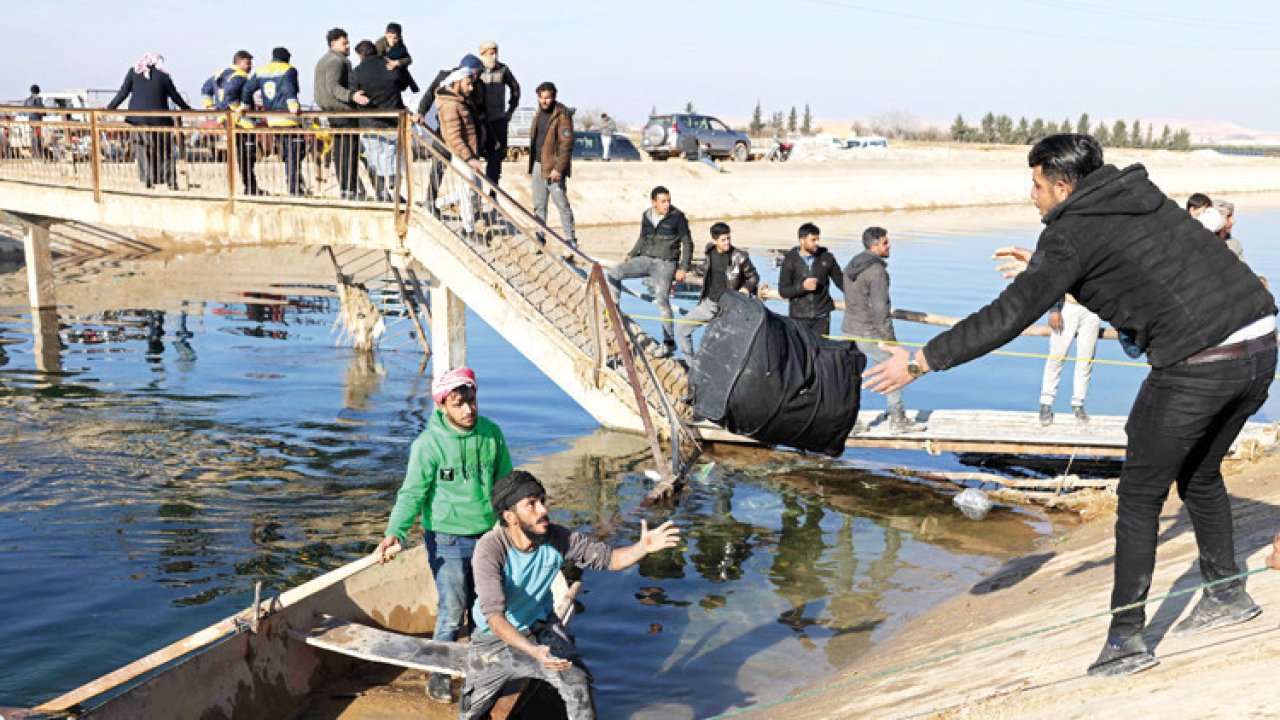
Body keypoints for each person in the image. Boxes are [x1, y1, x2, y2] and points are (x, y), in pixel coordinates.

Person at [864, 134, 1276, 678]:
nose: (1030, 194)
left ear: (1061, 186)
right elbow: (1132, 262)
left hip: (1200, 362)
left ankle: (1126, 641)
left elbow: (1008, 315)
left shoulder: (1071, 235)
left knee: (1138, 497)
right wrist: (1046, 265)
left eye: (1035, 184)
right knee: (1199, 475)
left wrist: (920, 362)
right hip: (1262, 343)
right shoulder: (1136, 196)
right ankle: (1226, 594)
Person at [458, 470, 681, 720]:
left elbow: (609, 559)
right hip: (494, 640)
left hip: (540, 627)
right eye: (531, 504)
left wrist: (643, 548)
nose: (542, 510)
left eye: (542, 500)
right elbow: (494, 619)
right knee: (470, 710)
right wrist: (532, 651)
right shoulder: (491, 548)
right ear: (510, 517)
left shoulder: (557, 537)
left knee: (577, 684)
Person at [374, 367, 513, 704]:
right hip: (448, 539)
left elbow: (507, 483)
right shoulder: (428, 445)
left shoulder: (492, 434)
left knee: (485, 609)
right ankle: (439, 674)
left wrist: (516, 523)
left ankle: (480, 669)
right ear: (442, 406)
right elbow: (412, 494)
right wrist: (396, 531)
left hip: (488, 536)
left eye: (472, 401)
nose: (468, 410)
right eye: (459, 404)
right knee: (453, 610)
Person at [842, 226, 921, 434]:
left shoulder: (851, 265)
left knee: (852, 374)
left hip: (849, 328)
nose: (889, 245)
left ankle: (852, 422)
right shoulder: (877, 272)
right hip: (870, 331)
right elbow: (880, 308)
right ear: (874, 245)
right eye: (885, 242)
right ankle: (898, 420)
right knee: (894, 368)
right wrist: (890, 340)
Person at [608, 186, 694, 357]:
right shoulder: (646, 215)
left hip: (666, 263)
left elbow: (687, 243)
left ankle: (668, 343)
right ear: (654, 202)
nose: (667, 204)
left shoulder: (678, 217)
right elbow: (643, 238)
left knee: (662, 299)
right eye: (663, 201)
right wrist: (631, 254)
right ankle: (614, 310)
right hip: (646, 259)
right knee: (614, 273)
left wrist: (683, 267)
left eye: (669, 200)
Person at [106, 52, 192, 190]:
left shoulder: (133, 73)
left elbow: (123, 93)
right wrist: (187, 109)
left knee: (142, 149)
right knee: (165, 151)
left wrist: (110, 108)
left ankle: (147, 180)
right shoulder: (163, 76)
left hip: (138, 119)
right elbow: (175, 96)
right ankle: (169, 181)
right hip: (160, 120)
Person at [677, 222, 759, 359]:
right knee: (682, 329)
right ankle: (691, 366)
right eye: (723, 240)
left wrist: (746, 288)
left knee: (721, 344)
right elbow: (706, 267)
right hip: (709, 304)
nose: (727, 242)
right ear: (715, 241)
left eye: (728, 238)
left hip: (730, 308)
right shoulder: (710, 252)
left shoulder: (740, 256)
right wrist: (690, 272)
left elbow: (754, 276)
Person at [314, 28, 370, 200]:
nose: (348, 46)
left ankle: (347, 189)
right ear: (333, 44)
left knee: (341, 151)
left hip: (332, 112)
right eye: (344, 43)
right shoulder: (336, 61)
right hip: (343, 111)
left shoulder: (325, 60)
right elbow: (333, 86)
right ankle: (349, 189)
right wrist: (351, 96)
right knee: (349, 151)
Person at [242, 47, 305, 196]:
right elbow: (289, 88)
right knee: (295, 153)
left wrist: (244, 105)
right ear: (287, 58)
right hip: (289, 119)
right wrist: (293, 105)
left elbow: (247, 89)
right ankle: (294, 189)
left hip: (272, 120)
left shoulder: (262, 70)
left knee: (286, 153)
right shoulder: (289, 69)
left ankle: (294, 185)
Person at [352, 39, 408, 202]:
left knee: (374, 157)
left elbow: (354, 93)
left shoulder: (357, 71)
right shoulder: (389, 65)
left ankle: (383, 192)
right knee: (391, 155)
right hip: (393, 118)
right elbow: (402, 84)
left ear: (361, 55)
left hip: (369, 121)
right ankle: (393, 185)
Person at [435, 67, 486, 239]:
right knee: (466, 192)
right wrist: (470, 157)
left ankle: (437, 203)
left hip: (470, 154)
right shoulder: (450, 105)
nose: (471, 88)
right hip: (464, 156)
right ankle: (468, 230)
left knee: (471, 190)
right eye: (468, 84)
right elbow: (453, 137)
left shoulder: (460, 101)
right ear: (456, 84)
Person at [201, 50, 259, 195]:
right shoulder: (239, 76)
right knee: (247, 154)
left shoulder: (220, 73)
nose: (250, 66)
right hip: (241, 122)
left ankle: (249, 186)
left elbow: (205, 88)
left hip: (227, 119)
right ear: (239, 63)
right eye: (248, 62)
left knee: (241, 154)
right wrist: (236, 108)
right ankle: (250, 187)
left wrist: (210, 106)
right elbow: (230, 94)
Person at [1038, 294, 1101, 426]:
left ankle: (1078, 404)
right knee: (1056, 358)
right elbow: (1057, 280)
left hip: (1092, 310)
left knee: (1086, 360)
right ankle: (1046, 403)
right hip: (1068, 307)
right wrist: (1054, 309)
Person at [528, 82, 576, 246]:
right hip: (537, 165)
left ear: (553, 97)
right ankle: (540, 238)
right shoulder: (538, 113)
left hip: (554, 168)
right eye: (541, 98)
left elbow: (566, 144)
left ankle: (570, 239)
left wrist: (559, 168)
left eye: (547, 98)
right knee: (539, 205)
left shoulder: (562, 115)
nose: (544, 101)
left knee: (561, 204)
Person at [777, 222, 844, 337]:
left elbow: (842, 283)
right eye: (813, 240)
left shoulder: (827, 258)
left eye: (818, 239)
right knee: (801, 353)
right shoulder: (790, 260)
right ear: (802, 241)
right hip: (798, 317)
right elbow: (783, 291)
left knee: (821, 352)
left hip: (822, 316)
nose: (817, 243)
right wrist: (802, 287)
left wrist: (861, 297)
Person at [477, 40, 521, 186]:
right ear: (482, 54)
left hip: (498, 120)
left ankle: (492, 191)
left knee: (496, 156)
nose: (494, 56)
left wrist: (510, 111)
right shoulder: (476, 69)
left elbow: (515, 88)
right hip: (480, 121)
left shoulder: (503, 70)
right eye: (490, 53)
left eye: (495, 52)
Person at [375, 22, 418, 94]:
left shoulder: (400, 45)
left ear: (399, 37)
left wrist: (396, 63)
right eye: (389, 37)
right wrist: (387, 61)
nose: (392, 41)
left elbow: (408, 59)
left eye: (395, 38)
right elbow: (376, 58)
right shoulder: (379, 44)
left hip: (397, 73)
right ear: (385, 34)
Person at [21, 84, 44, 160]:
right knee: (37, 139)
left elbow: (23, 111)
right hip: (37, 122)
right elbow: (42, 110)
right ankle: (39, 156)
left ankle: (34, 155)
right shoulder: (39, 100)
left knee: (33, 139)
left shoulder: (27, 100)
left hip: (30, 121)